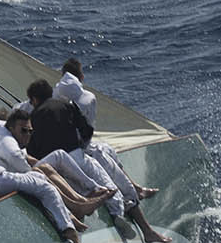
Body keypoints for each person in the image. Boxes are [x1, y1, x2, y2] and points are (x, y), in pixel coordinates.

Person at [27, 79, 171, 243]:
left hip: (57, 169)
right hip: (78, 156)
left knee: (87, 190)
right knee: (109, 186)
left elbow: (33, 149)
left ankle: (90, 223)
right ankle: (125, 217)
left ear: (35, 99)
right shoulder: (66, 105)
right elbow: (86, 129)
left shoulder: (33, 117)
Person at [54, 58, 159, 203]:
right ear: (81, 77)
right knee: (102, 156)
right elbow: (88, 131)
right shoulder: (88, 98)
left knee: (108, 149)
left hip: (67, 146)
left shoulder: (54, 96)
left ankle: (136, 188)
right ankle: (129, 195)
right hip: (77, 148)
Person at [0, 108, 113, 225]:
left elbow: (27, 158)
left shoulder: (3, 136)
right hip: (12, 179)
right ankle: (81, 200)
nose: (27, 135)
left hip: (18, 172)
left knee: (56, 157)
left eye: (30, 131)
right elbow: (19, 160)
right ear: (9, 128)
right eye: (23, 131)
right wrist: (42, 168)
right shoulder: (8, 146)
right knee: (48, 167)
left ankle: (88, 193)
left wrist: (41, 164)